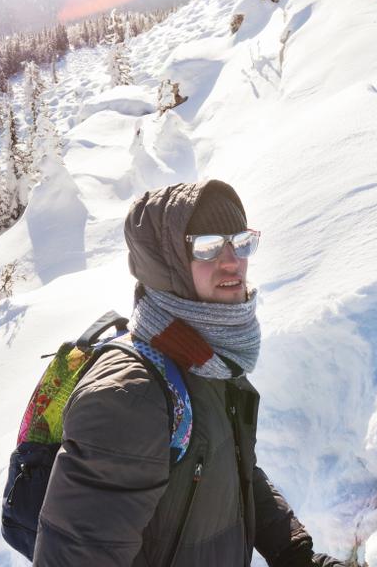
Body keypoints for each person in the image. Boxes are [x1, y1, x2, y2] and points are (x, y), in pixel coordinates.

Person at [33, 179, 342, 567]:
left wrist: (295, 553)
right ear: (167, 264)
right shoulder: (130, 397)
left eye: (240, 241)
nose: (231, 261)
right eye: (208, 246)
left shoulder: (207, 356)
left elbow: (229, 468)